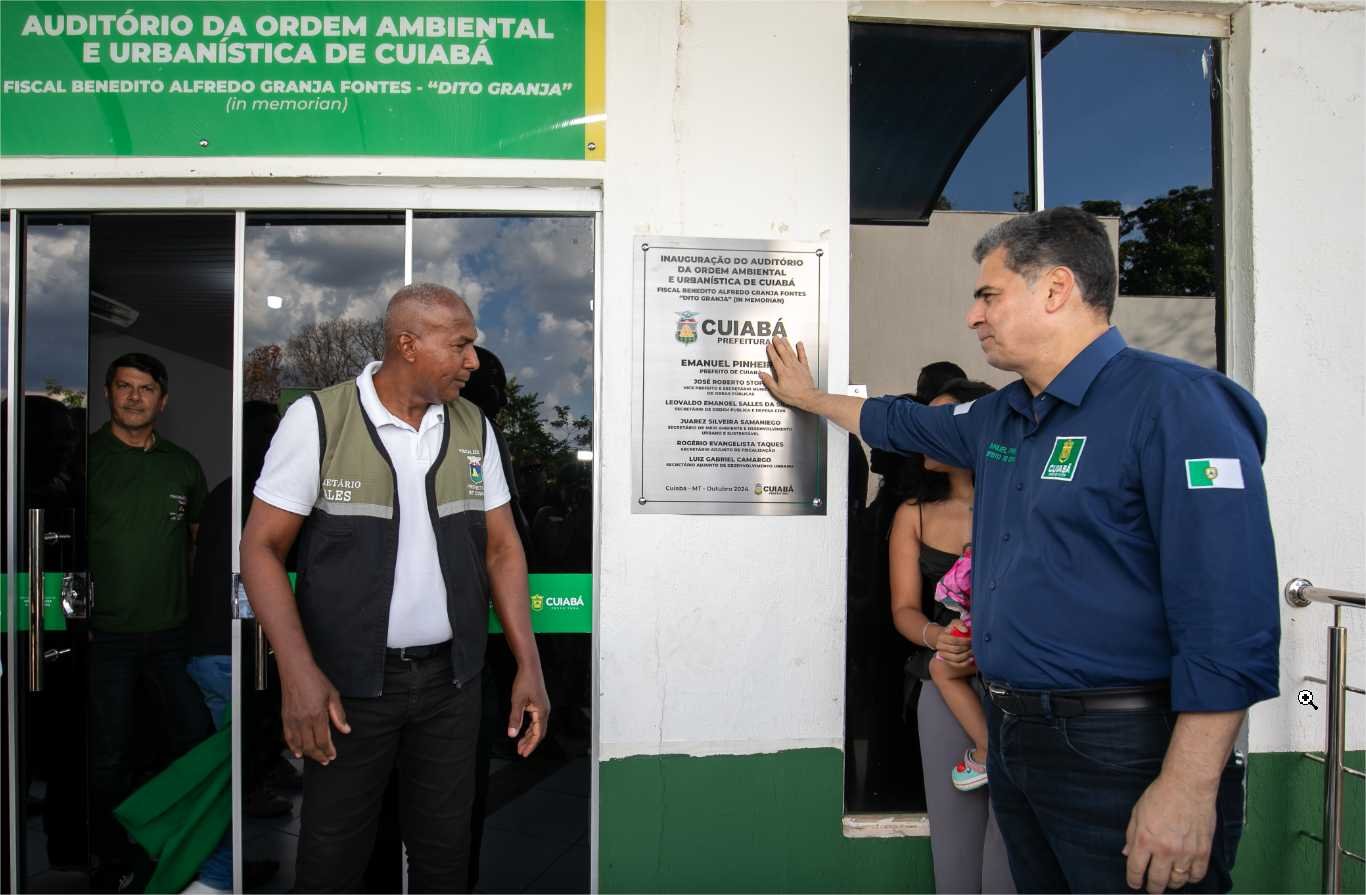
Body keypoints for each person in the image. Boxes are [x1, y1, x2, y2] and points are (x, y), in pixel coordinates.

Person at [761, 207, 1278, 894]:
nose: (975, 316)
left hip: (1126, 751)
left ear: (1056, 288)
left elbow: (1229, 616)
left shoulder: (1180, 407)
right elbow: (902, 419)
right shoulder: (1003, 415)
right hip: (1016, 740)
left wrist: (1186, 787)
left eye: (989, 294)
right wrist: (812, 398)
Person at [240, 283, 550, 893]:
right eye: (461, 345)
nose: (473, 362)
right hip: (347, 690)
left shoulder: (472, 425)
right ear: (407, 344)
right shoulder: (319, 419)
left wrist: (527, 665)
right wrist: (299, 675)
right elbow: (261, 549)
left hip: (449, 686)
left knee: (445, 859)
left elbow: (503, 548)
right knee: (333, 862)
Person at [88, 353, 214, 893]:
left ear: (163, 400)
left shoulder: (183, 465)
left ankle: (187, 853)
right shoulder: (87, 458)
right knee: (108, 755)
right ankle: (114, 861)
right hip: (106, 637)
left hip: (172, 634)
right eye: (124, 387)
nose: (134, 397)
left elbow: (197, 546)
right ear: (108, 393)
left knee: (193, 743)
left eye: (145, 389)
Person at [888, 378, 1012, 893]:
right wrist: (938, 636)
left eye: (937, 424)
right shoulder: (913, 514)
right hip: (943, 688)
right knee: (955, 852)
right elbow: (902, 609)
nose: (923, 437)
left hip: (1019, 688)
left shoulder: (1018, 504)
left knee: (1011, 852)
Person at [183, 400, 286, 893]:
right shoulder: (260, 496)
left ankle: (229, 868)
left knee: (228, 766)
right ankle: (219, 876)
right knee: (229, 771)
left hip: (213, 649)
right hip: (231, 652)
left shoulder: (225, 492)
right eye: (272, 432)